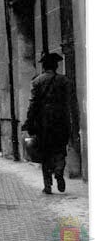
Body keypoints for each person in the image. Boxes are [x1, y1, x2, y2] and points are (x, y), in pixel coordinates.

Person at [22, 52, 73, 195]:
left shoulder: (37, 81)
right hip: (61, 121)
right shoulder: (65, 81)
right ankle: (58, 172)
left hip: (43, 123)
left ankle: (48, 185)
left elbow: (33, 104)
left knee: (45, 153)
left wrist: (28, 122)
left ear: (44, 66)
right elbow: (70, 102)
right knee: (60, 150)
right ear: (56, 66)